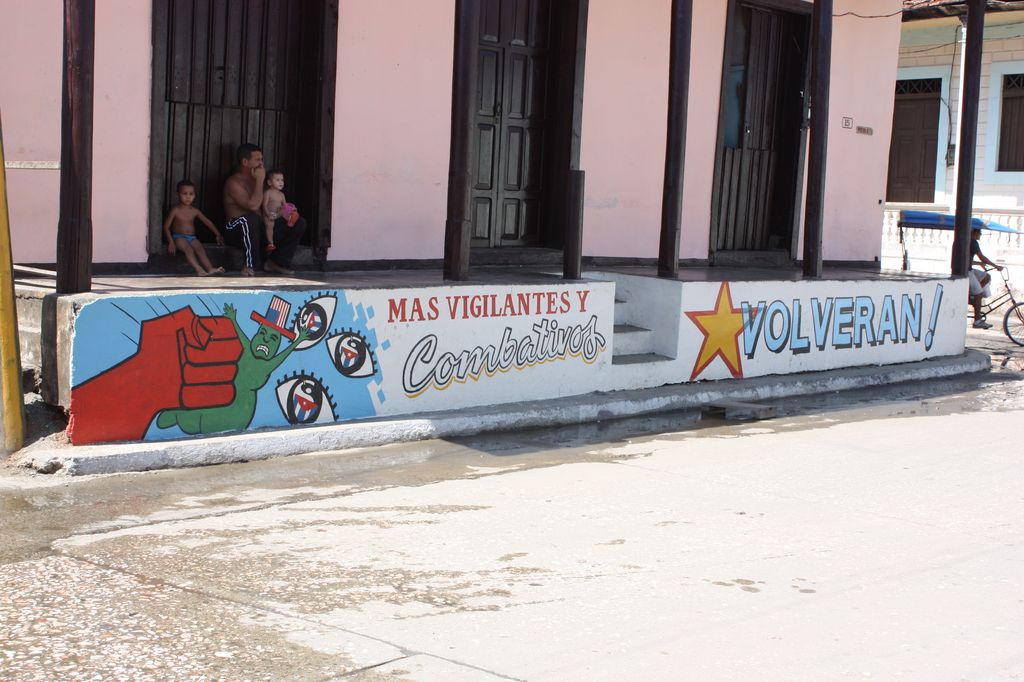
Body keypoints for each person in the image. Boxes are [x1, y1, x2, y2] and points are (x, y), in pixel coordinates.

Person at [223, 143, 307, 276]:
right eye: (257, 160)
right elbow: (253, 206)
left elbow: (270, 207)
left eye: (262, 159)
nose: (261, 163)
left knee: (299, 222)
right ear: (245, 162)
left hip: (260, 229)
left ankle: (276, 262)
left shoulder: (260, 181)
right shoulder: (233, 182)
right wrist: (260, 180)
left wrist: (285, 211)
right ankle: (250, 264)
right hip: (236, 231)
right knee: (250, 218)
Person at [162, 180, 225, 276]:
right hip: (178, 237)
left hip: (192, 237)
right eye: (184, 194)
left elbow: (207, 222)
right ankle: (199, 269)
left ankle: (210, 269)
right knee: (188, 249)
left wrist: (218, 234)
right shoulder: (175, 210)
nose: (188, 197)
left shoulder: (195, 211)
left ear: (195, 195)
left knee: (200, 249)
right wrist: (171, 241)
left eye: (191, 194)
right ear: (177, 194)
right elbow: (166, 227)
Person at [968, 227, 1002, 328]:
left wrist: (979, 263)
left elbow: (968, 259)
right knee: (979, 293)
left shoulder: (969, 241)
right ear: (974, 232)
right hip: (966, 271)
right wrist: (995, 266)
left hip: (968, 269)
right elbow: (982, 257)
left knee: (986, 277)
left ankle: (973, 297)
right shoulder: (973, 242)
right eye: (980, 232)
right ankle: (977, 321)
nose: (980, 234)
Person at [261, 169, 299, 254]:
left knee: (290, 209)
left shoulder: (281, 194)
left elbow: (285, 206)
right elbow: (264, 205)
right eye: (278, 180)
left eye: (282, 180)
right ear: (269, 182)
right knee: (269, 226)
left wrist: (291, 208)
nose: (281, 182)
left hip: (278, 213)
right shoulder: (268, 192)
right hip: (270, 214)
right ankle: (270, 243)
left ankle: (291, 220)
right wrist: (268, 214)